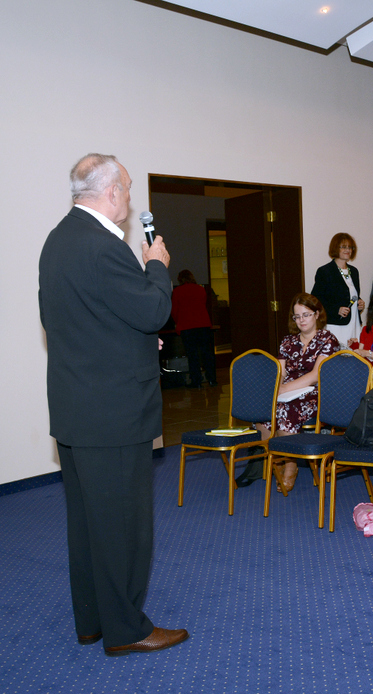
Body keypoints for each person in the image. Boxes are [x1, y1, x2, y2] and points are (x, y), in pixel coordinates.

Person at [39, 153, 187, 655]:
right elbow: (153, 309)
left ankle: (92, 621)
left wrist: (136, 340)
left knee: (87, 525)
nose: (128, 195)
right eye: (126, 186)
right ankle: (127, 630)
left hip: (76, 408)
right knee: (123, 527)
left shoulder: (58, 240)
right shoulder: (105, 246)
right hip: (114, 413)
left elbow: (75, 320)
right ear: (112, 193)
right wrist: (156, 266)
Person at [257, 293, 341, 493]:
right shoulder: (288, 341)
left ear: (317, 314)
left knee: (284, 408)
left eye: (306, 315)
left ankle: (290, 464)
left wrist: (284, 389)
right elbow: (280, 371)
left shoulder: (327, 339)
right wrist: (275, 388)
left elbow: (315, 375)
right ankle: (277, 460)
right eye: (297, 316)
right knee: (264, 408)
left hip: (316, 393)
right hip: (288, 391)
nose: (302, 320)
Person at [312, 232, 365, 346]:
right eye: (343, 247)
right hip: (335, 324)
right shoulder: (325, 271)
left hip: (354, 322)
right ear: (335, 248)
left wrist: (359, 302)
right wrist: (336, 309)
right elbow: (316, 299)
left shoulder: (354, 271)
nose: (348, 250)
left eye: (350, 247)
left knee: (354, 353)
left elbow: (350, 294)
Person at [171, 269, 217, 388]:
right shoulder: (200, 289)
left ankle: (196, 381)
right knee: (206, 354)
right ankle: (212, 379)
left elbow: (174, 311)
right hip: (203, 325)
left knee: (193, 355)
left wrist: (178, 322)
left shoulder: (177, 291)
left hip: (187, 326)